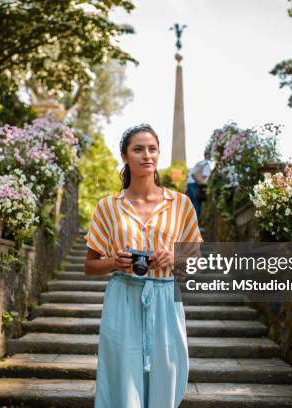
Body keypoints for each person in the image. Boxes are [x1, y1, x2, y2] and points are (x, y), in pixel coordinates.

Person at [84, 123, 203, 408]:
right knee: (122, 378)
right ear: (125, 156)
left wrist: (174, 259)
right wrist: (114, 262)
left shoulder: (181, 204)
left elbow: (196, 261)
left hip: (165, 297)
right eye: (138, 149)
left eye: (152, 149)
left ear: (158, 153)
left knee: (168, 372)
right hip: (123, 297)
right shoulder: (108, 207)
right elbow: (90, 265)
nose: (146, 155)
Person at [185, 152, 212, 220]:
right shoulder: (207, 164)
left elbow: (191, 174)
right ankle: (194, 226)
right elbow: (205, 176)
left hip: (189, 183)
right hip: (196, 184)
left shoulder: (199, 163)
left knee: (190, 205)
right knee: (197, 205)